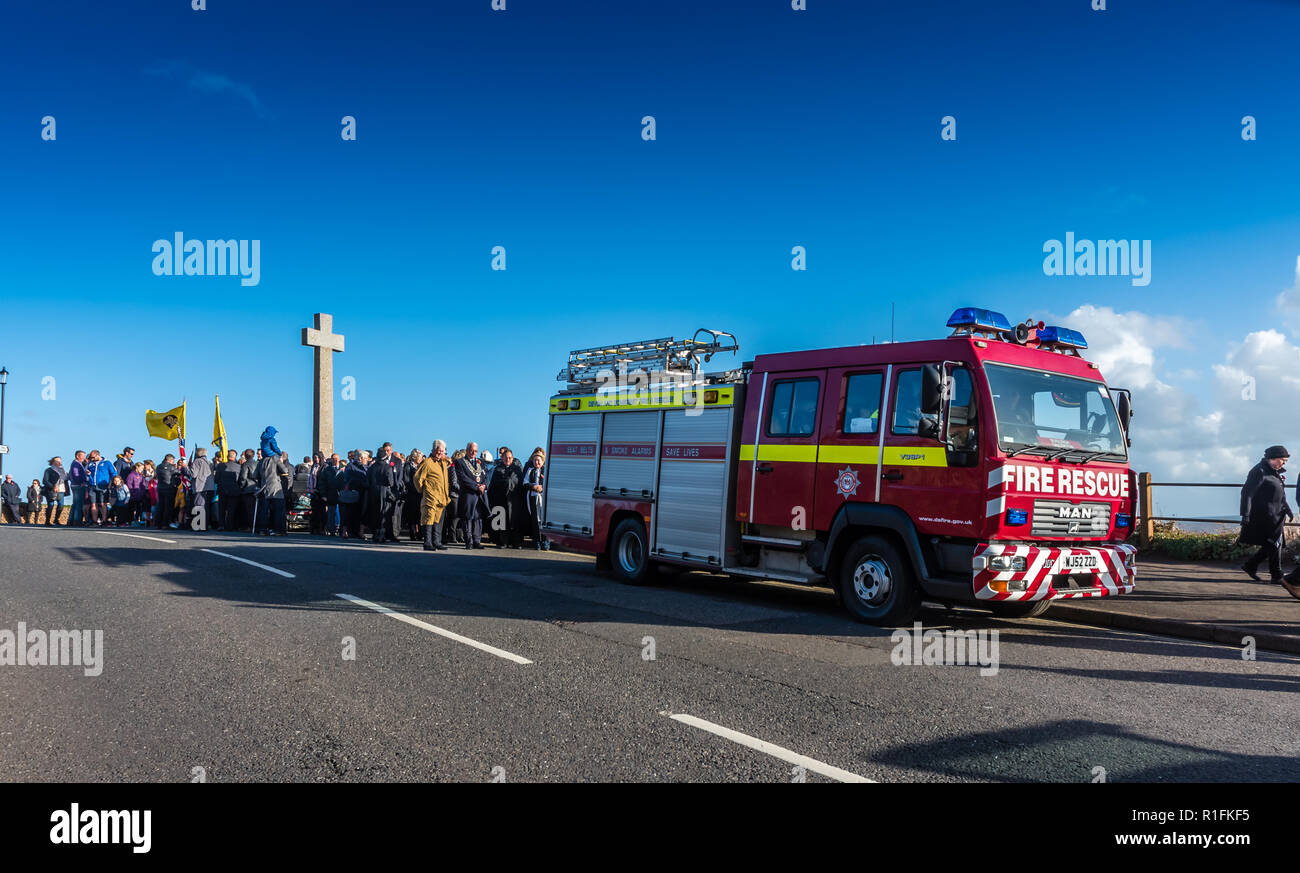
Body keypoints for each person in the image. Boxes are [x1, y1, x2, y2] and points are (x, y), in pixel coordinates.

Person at [1240, 445, 1293, 583]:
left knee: (1274, 543)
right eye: (1282, 460)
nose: (1284, 463)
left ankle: (1251, 565)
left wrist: (1287, 509)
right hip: (1264, 515)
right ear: (1273, 458)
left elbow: (1279, 494)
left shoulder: (1273, 471)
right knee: (1274, 543)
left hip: (1276, 514)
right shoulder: (1259, 471)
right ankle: (1276, 575)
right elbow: (1247, 493)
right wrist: (1245, 514)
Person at [414, 440, 452, 551]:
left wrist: (445, 457)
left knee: (437, 520)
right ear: (433, 450)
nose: (440, 453)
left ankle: (436, 541)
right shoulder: (427, 463)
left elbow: (450, 462)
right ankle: (427, 543)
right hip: (431, 496)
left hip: (442, 497)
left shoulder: (443, 463)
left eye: (442, 451)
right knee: (428, 519)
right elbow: (417, 478)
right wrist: (422, 490)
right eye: (438, 450)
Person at [488, 447, 527, 548]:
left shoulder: (517, 469)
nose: (508, 460)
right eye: (506, 458)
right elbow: (492, 486)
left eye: (510, 458)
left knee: (515, 521)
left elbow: (521, 484)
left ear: (513, 458)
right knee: (502, 521)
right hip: (501, 500)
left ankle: (516, 542)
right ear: (502, 458)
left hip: (515, 500)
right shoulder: (498, 469)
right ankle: (503, 542)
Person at [366, 442, 402, 544]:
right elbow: (390, 481)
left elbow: (368, 479)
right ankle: (382, 535)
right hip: (384, 492)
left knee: (375, 512)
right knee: (383, 513)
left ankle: (375, 534)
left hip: (374, 491)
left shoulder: (372, 467)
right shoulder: (387, 467)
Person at [454, 442, 487, 549]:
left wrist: (484, 485)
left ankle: (477, 541)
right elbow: (462, 478)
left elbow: (486, 475)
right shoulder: (460, 462)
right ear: (467, 450)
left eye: (476, 451)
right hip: (468, 494)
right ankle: (469, 541)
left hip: (480, 494)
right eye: (472, 450)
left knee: (478, 518)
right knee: (467, 518)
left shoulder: (480, 462)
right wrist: (476, 486)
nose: (474, 453)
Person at [254, 450, 290, 536]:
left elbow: (255, 475)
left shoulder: (261, 461)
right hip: (275, 488)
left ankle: (262, 529)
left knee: (264, 510)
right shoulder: (275, 458)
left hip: (264, 488)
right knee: (278, 510)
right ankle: (278, 529)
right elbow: (285, 470)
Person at [337, 450, 370, 539]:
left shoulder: (366, 467)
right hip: (353, 493)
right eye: (366, 458)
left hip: (363, 493)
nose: (367, 460)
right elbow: (348, 478)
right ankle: (345, 532)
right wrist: (362, 483)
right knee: (349, 513)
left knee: (360, 513)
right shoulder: (351, 466)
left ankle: (358, 532)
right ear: (360, 458)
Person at [523, 451, 546, 549]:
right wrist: (534, 487)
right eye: (535, 460)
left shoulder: (546, 470)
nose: (536, 462)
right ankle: (537, 541)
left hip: (543, 498)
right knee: (535, 520)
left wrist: (542, 487)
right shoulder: (530, 471)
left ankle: (545, 541)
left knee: (544, 520)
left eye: (538, 460)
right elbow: (525, 483)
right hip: (533, 497)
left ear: (542, 461)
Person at [188, 447, 214, 530]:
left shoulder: (197, 461)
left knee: (199, 506)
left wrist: (186, 468)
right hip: (210, 487)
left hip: (200, 486)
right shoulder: (210, 462)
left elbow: (193, 474)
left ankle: (199, 526)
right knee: (206, 507)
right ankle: (205, 525)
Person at [154, 454, 180, 529]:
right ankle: (165, 523)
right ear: (169, 460)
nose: (173, 462)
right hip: (169, 487)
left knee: (160, 506)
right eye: (173, 460)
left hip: (160, 487)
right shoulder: (171, 467)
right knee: (168, 507)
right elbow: (178, 473)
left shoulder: (158, 466)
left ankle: (158, 523)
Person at [42, 456, 69, 526]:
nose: (59, 463)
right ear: (53, 462)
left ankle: (56, 519)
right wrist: (53, 486)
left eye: (60, 461)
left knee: (61, 505)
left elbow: (66, 478)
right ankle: (47, 521)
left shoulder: (62, 470)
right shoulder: (48, 470)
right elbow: (45, 481)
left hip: (61, 490)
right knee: (50, 505)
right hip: (51, 491)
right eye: (57, 461)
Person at [237, 449, 258, 532]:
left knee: (248, 510)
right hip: (257, 489)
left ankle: (250, 526)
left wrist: (241, 487)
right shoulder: (258, 463)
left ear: (245, 455)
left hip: (248, 489)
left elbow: (243, 477)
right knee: (256, 509)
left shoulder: (246, 464)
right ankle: (256, 526)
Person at [67, 450, 89, 526]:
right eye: (83, 456)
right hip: (78, 486)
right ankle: (77, 521)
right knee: (79, 504)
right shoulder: (76, 464)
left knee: (75, 504)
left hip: (75, 485)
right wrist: (81, 482)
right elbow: (76, 474)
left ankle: (71, 521)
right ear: (77, 456)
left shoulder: (77, 464)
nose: (84, 458)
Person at [126, 462, 148, 526]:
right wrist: (132, 492)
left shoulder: (141, 476)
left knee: (139, 508)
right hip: (133, 496)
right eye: (141, 468)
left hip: (140, 496)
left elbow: (143, 485)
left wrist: (142, 493)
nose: (142, 469)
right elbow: (129, 485)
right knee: (132, 509)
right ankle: (131, 521)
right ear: (137, 467)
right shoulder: (131, 475)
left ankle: (137, 520)